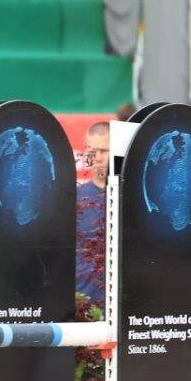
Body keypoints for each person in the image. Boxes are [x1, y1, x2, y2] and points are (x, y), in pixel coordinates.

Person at [76, 121, 110, 307]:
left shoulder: (131, 197)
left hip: (123, 309)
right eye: (92, 151)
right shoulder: (75, 198)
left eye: (104, 151)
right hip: (84, 309)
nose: (97, 158)